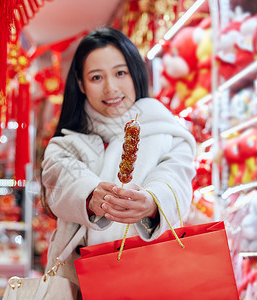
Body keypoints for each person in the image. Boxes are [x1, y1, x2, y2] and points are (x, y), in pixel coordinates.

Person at [41, 27, 196, 298]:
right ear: (81, 84)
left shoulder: (168, 133)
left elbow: (175, 181)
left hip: (151, 280)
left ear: (135, 74)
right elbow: (62, 181)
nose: (111, 88)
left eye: (120, 73)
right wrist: (91, 195)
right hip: (76, 286)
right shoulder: (64, 146)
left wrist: (151, 202)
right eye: (96, 77)